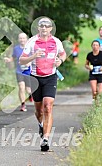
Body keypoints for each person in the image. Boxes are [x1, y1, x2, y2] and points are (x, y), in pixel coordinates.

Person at [19, 17, 66, 151]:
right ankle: (41, 124)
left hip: (51, 77)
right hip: (35, 78)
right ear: (38, 28)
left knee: (48, 106)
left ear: (51, 28)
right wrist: (33, 56)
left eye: (47, 26)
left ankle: (45, 138)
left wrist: (60, 61)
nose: (44, 28)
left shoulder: (56, 42)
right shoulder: (32, 42)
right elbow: (21, 60)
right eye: (42, 26)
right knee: (39, 111)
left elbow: (63, 54)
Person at [4, 33, 33, 112]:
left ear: (26, 39)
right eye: (20, 38)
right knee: (21, 87)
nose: (22, 40)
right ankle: (23, 104)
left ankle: (30, 95)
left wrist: (29, 63)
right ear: (18, 39)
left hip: (28, 71)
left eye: (23, 38)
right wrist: (8, 60)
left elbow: (34, 58)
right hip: (19, 71)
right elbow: (13, 58)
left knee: (28, 89)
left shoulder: (30, 48)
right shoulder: (16, 49)